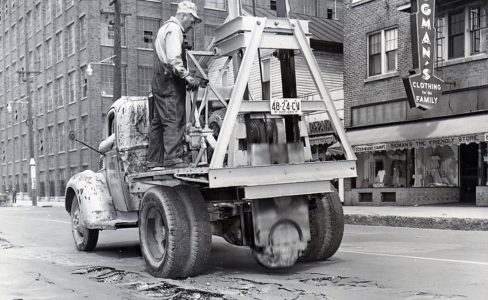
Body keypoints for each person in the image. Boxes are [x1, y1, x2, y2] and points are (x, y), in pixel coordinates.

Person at [147, 1, 202, 170]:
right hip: (169, 80)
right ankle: (172, 158)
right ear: (183, 15)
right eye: (192, 21)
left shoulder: (164, 28)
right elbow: (173, 58)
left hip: (159, 80)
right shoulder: (174, 29)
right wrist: (187, 77)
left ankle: (154, 160)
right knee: (174, 117)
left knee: (158, 121)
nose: (192, 25)